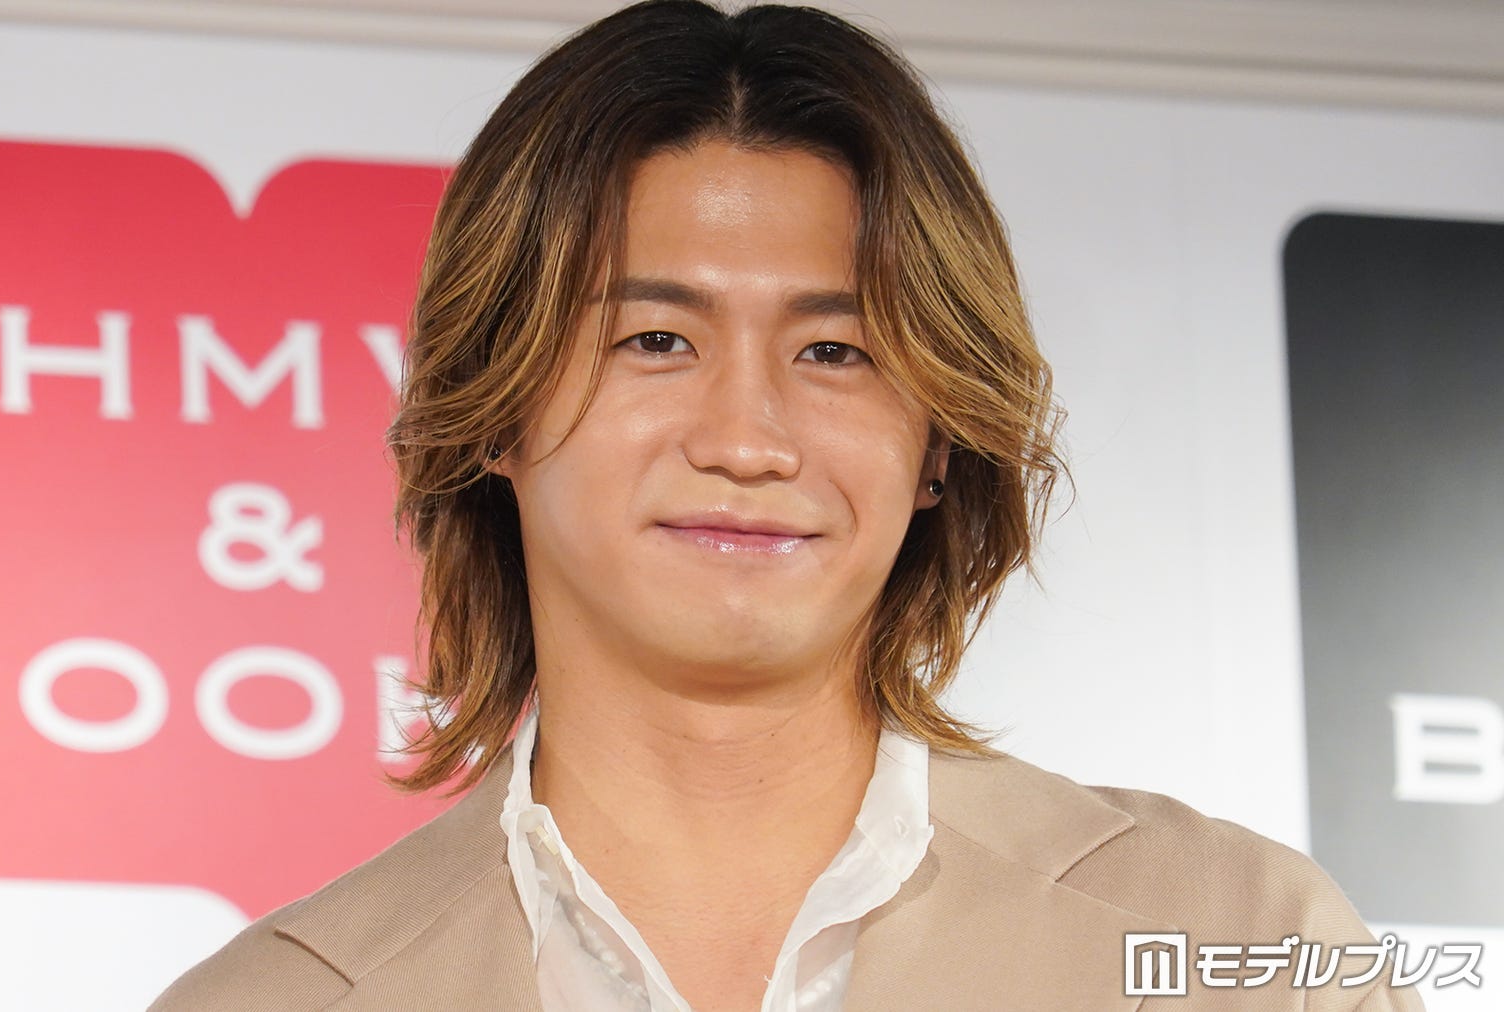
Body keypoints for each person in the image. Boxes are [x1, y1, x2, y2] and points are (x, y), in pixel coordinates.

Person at [152, 2, 1424, 1009]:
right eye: (654, 340)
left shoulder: (1234, 942)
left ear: (937, 442)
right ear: (493, 403)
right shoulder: (271, 1001)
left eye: (835, 352)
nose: (746, 440)